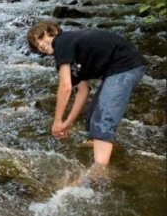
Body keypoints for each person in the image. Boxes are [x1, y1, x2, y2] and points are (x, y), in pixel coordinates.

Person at [26, 21, 147, 168]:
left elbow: (65, 87)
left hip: (126, 65)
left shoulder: (62, 41)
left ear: (54, 32)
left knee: (103, 119)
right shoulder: (70, 53)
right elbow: (83, 90)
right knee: (92, 116)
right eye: (36, 45)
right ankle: (99, 145)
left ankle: (100, 171)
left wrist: (57, 121)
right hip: (116, 70)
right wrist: (69, 122)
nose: (40, 45)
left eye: (40, 38)